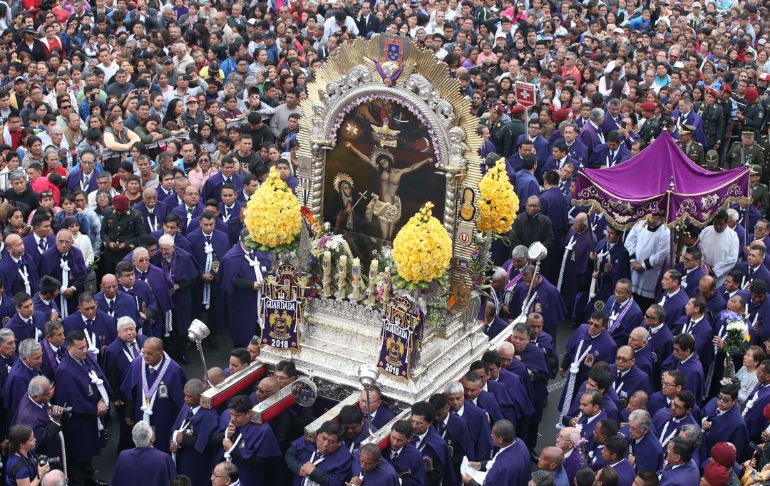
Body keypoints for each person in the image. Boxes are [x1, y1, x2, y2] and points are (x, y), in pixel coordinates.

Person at [54, 331, 110, 486]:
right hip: (77, 423)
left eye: (85, 346)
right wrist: (96, 409)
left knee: (87, 455)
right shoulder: (64, 371)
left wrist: (99, 399)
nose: (85, 350)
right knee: (78, 457)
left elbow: (95, 379)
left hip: (89, 417)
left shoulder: (83, 359)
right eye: (80, 348)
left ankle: (90, 478)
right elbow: (72, 401)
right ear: (69, 348)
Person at [120, 337, 187, 454]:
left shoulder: (174, 370)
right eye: (143, 352)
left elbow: (181, 402)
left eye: (150, 354)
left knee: (161, 448)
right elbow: (130, 392)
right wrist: (128, 414)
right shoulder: (137, 364)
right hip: (140, 416)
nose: (145, 357)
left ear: (160, 352)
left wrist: (177, 428)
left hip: (163, 420)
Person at [212, 395, 281, 485]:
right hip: (226, 473)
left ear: (248, 413)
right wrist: (226, 434)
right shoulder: (231, 421)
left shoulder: (263, 430)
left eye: (237, 416)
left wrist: (232, 449)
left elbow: (258, 461)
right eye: (231, 414)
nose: (233, 419)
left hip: (247, 475)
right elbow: (212, 441)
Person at [220, 228, 271, 347]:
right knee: (242, 329)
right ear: (243, 240)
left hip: (261, 299)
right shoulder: (231, 257)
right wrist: (250, 284)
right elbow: (230, 280)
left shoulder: (259, 251)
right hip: (242, 301)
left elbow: (267, 266)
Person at [103, 316, 146, 451]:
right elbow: (110, 375)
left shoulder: (144, 341)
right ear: (118, 333)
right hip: (124, 394)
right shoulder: (112, 350)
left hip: (145, 389)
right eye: (125, 330)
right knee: (127, 424)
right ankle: (125, 449)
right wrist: (115, 397)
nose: (129, 333)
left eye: (131, 329)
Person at [169, 378, 218, 486]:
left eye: (189, 396)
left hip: (197, 463)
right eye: (185, 395)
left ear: (200, 396)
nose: (185, 399)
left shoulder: (209, 414)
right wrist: (172, 442)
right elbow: (176, 428)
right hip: (181, 458)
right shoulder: (187, 405)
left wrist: (184, 439)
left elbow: (205, 443)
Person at [11, 376, 64, 469]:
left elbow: (41, 406)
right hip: (44, 463)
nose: (51, 394)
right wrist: (55, 420)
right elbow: (42, 443)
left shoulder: (29, 395)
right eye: (47, 394)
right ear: (36, 396)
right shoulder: (30, 418)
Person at [461, 420, 530, 486]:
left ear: (500, 440)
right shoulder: (520, 443)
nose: (491, 435)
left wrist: (470, 482)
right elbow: (497, 460)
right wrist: (481, 465)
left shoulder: (502, 469)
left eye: (493, 434)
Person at [110, 421, 176, 486]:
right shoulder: (164, 459)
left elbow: (115, 482)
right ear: (152, 438)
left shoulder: (123, 456)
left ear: (133, 439)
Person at [625, 216, 670, 309]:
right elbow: (629, 242)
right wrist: (633, 260)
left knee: (644, 303)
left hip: (650, 273)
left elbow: (662, 254)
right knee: (630, 297)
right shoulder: (640, 224)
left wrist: (644, 265)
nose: (649, 224)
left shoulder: (665, 232)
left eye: (652, 222)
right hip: (634, 267)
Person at [3, 339, 44, 418]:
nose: (40, 360)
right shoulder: (19, 378)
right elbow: (22, 409)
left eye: (41, 356)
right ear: (25, 358)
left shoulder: (28, 363)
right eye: (36, 358)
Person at [383, 420, 425, 486]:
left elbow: (418, 483)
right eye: (393, 437)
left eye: (399, 440)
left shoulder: (416, 456)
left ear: (409, 439)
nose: (394, 443)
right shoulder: (381, 449)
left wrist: (398, 481)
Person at [625, 409, 663, 475]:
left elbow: (645, 477)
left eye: (634, 428)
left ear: (645, 430)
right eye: (629, 426)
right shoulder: (635, 434)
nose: (630, 431)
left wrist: (633, 466)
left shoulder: (652, 450)